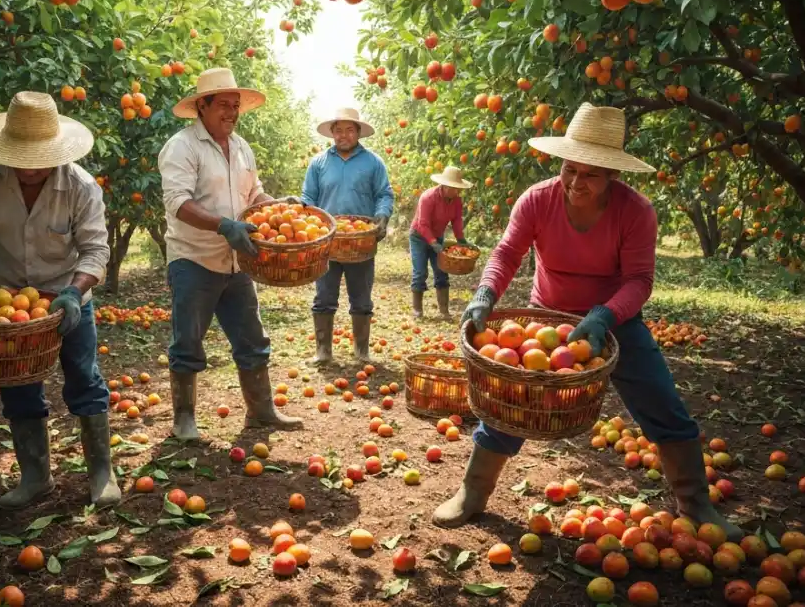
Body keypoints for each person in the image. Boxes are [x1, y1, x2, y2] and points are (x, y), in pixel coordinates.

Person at [433, 103, 742, 542]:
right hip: (545, 321)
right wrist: (485, 294)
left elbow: (639, 279)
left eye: (591, 174)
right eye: (570, 169)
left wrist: (604, 315)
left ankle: (696, 503)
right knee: (511, 397)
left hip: (615, 320)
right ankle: (473, 492)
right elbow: (506, 254)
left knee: (661, 402)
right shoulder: (537, 200)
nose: (577, 182)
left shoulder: (636, 212)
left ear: (613, 176)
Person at [0, 91, 120, 510]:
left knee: (84, 377)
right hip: (8, 299)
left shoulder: (80, 187)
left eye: (40, 155)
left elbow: (95, 250)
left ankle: (101, 474)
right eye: (22, 155)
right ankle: (36, 477)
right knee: (17, 384)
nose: (31, 166)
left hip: (66, 294)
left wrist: (75, 291)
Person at [157, 68, 304, 441]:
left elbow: (253, 196)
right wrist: (224, 225)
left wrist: (278, 207)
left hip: (239, 260)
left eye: (235, 106)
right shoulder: (182, 146)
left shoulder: (241, 147)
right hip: (194, 258)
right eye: (223, 104)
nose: (231, 112)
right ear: (202, 106)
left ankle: (261, 411)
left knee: (251, 336)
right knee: (188, 339)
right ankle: (184, 418)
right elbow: (178, 202)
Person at [301, 108, 394, 365]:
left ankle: (361, 351)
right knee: (324, 296)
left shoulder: (373, 162)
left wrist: (382, 217)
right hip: (327, 240)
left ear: (358, 132)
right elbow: (308, 198)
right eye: (339, 130)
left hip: (361, 241)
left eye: (349, 130)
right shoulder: (318, 163)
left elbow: (384, 194)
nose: (344, 135)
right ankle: (323, 351)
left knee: (361, 297)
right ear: (332, 133)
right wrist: (302, 216)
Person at [408, 166, 474, 320]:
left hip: (437, 237)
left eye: (458, 188)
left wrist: (461, 240)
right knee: (420, 272)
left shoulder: (456, 200)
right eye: (454, 188)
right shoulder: (428, 197)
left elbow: (457, 221)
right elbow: (422, 224)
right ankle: (417, 310)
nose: (457, 192)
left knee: (441, 271)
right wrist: (433, 243)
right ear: (445, 185)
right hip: (419, 237)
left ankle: (444, 311)